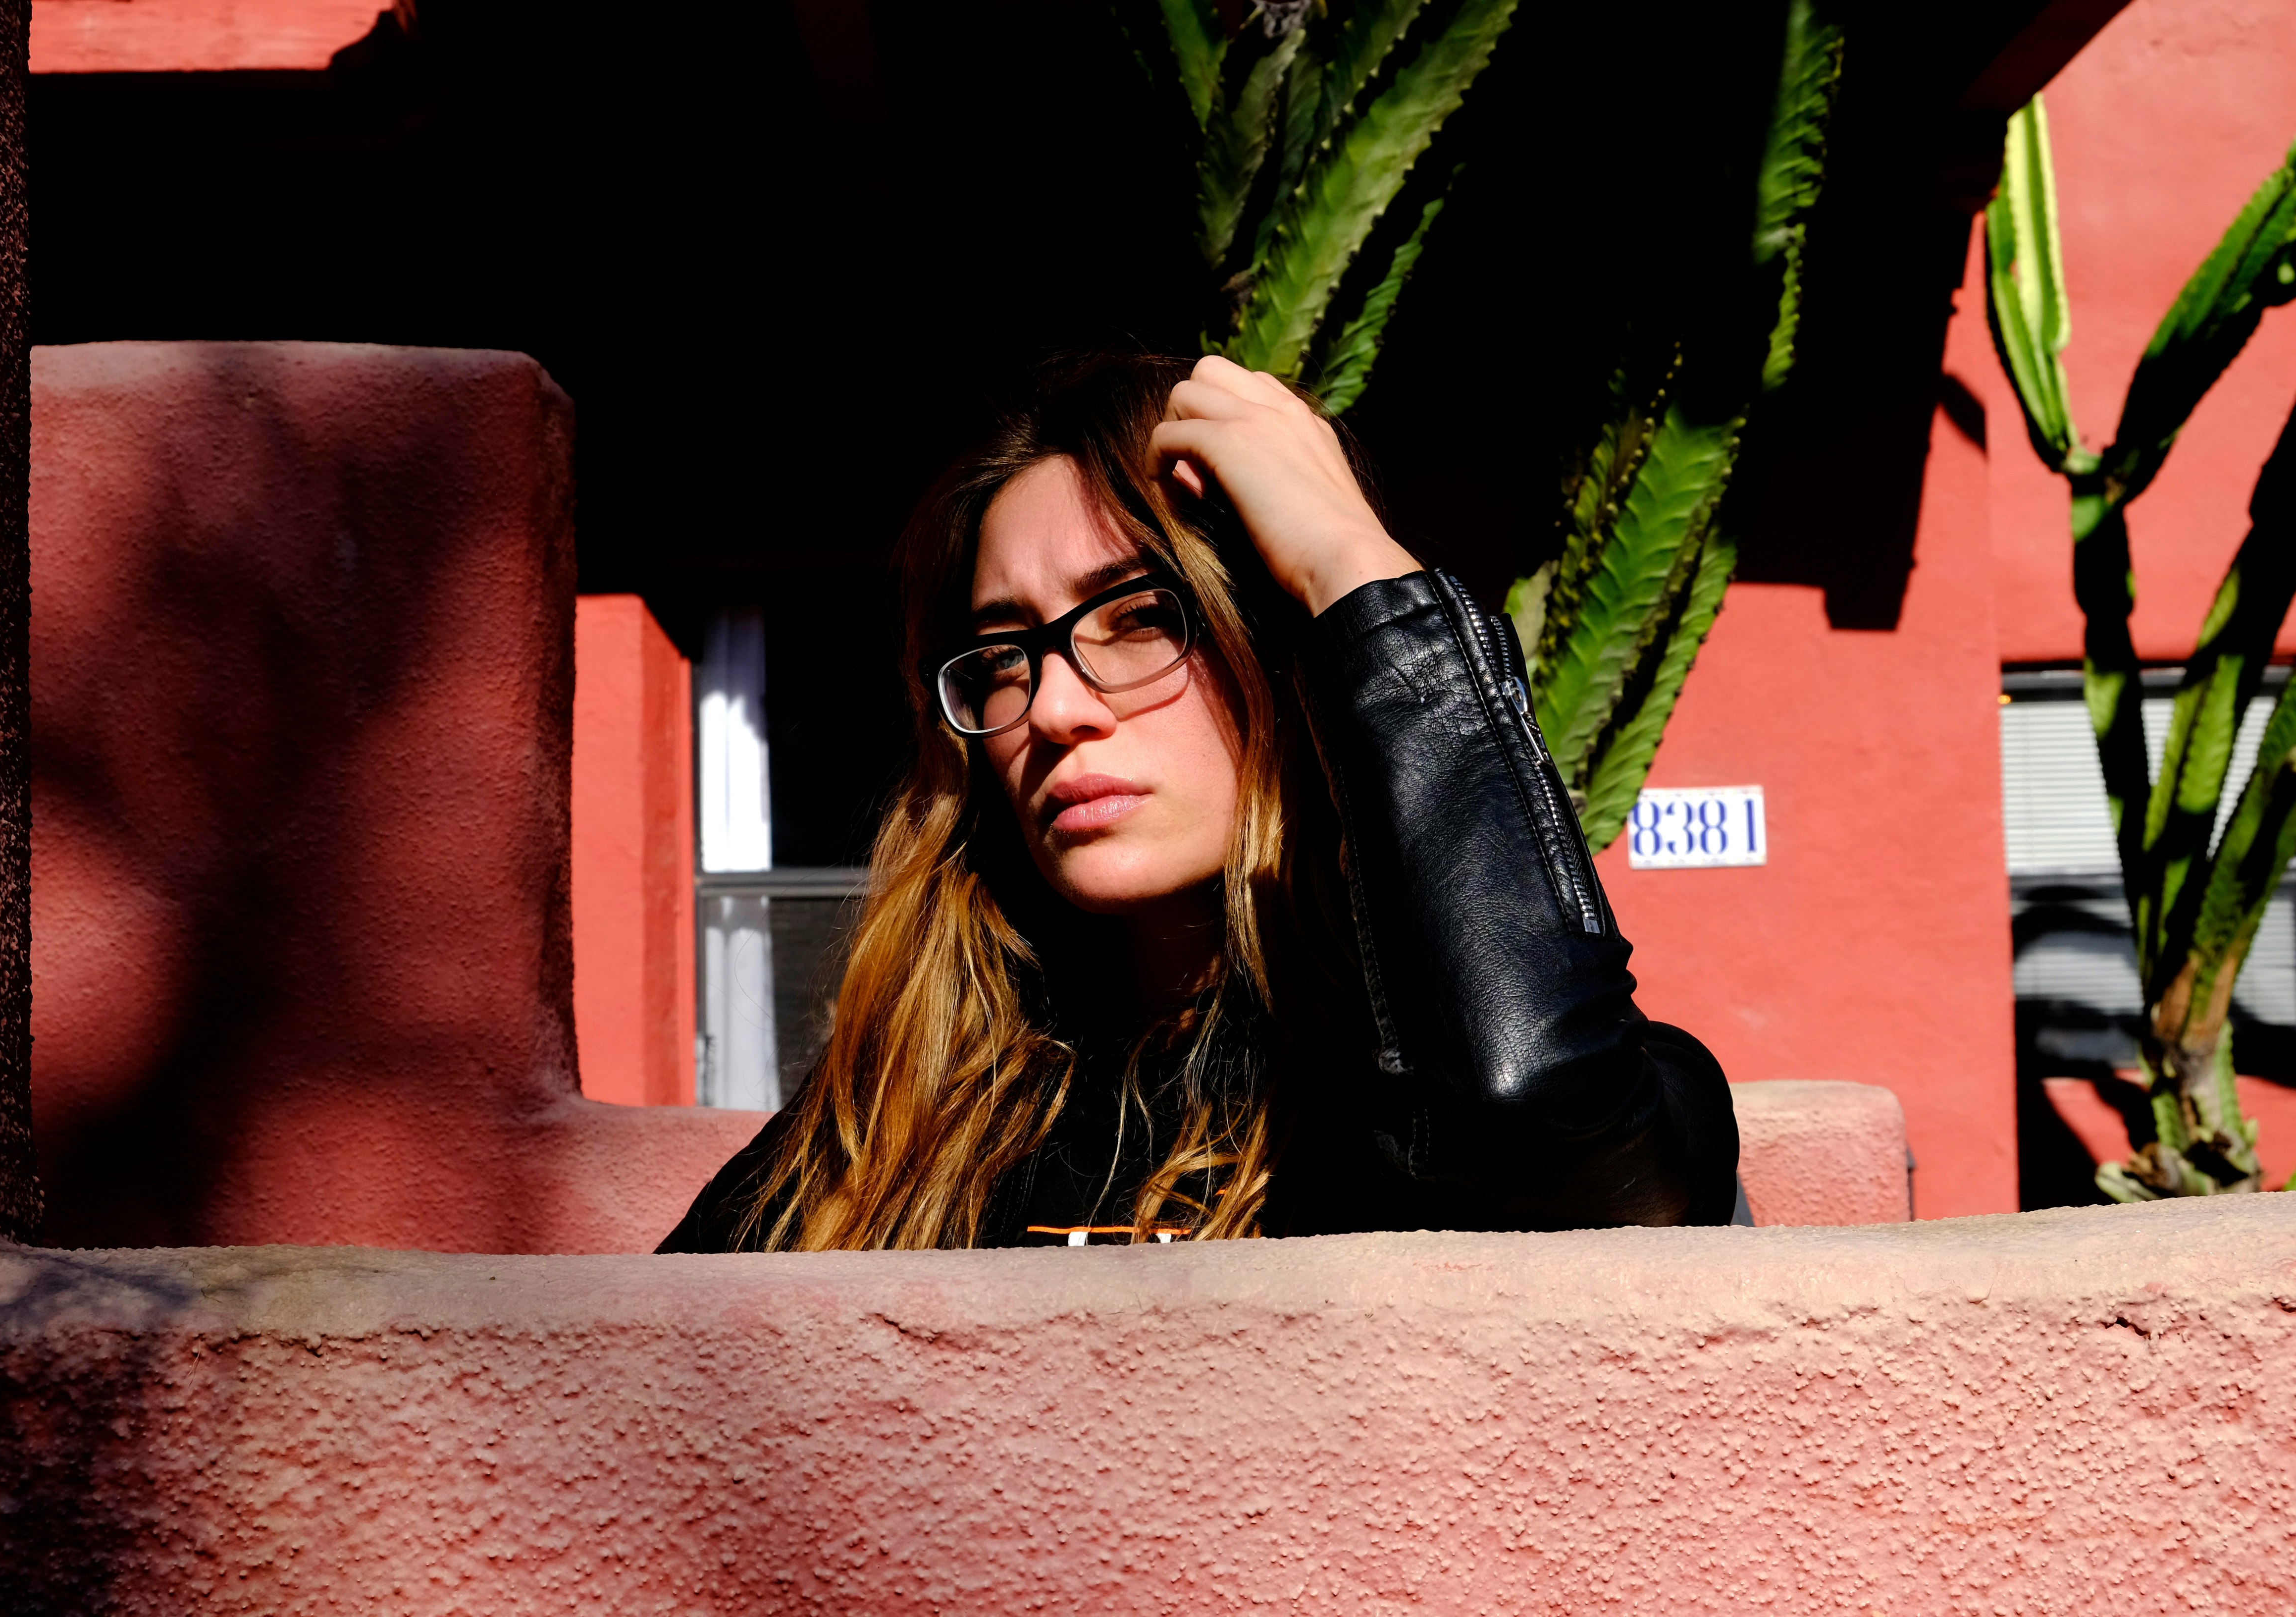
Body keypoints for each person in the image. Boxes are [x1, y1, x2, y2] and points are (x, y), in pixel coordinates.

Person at [658, 351, 1737, 1252]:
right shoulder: (906, 1114)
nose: (1055, 710)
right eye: (1001, 653)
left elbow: (1551, 1127)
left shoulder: (1450, 1098)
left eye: (1135, 618)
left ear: (1285, 654)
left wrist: (1352, 567)